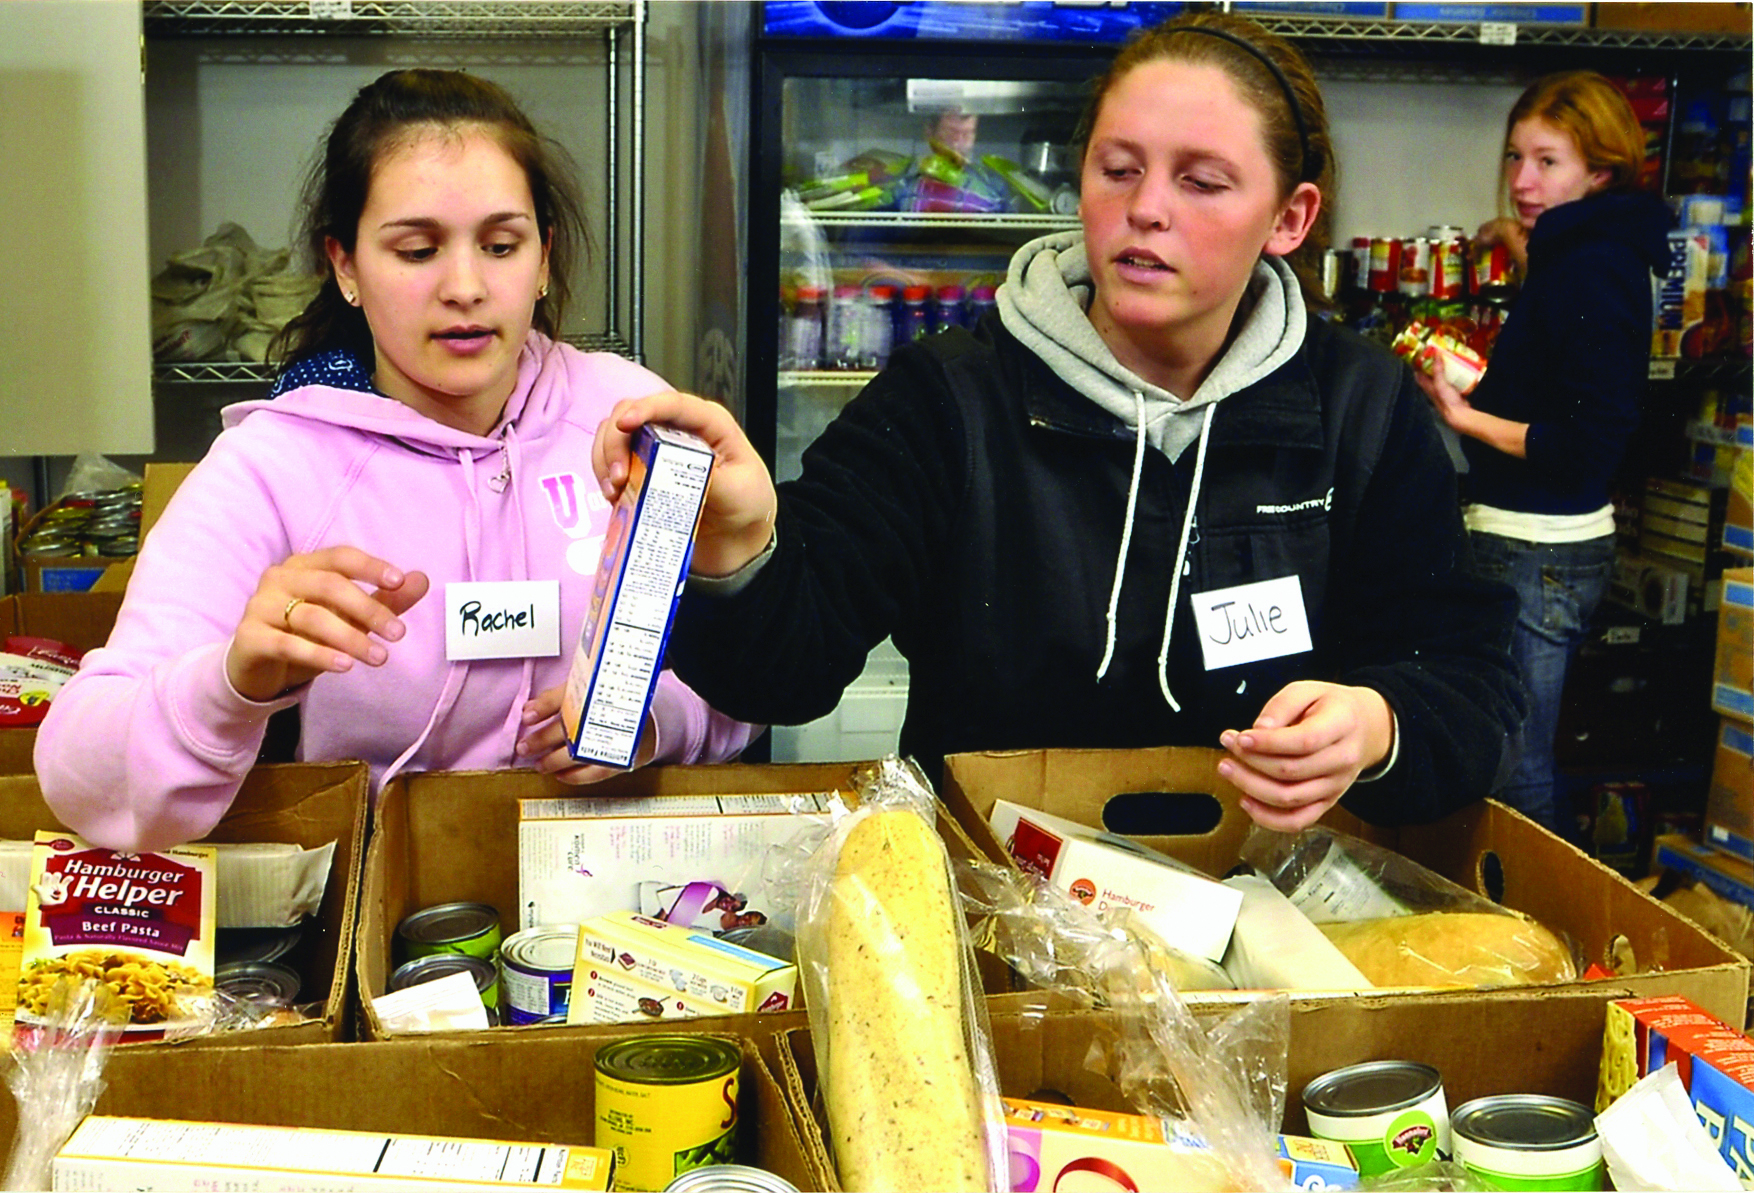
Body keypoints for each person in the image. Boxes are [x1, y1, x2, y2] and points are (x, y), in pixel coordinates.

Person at [594, 13, 1525, 833]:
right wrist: (743, 541)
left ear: (1289, 217)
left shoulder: (1363, 412)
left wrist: (1376, 725)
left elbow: (1471, 684)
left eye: (1202, 182)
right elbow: (781, 677)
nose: (1145, 209)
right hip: (1003, 923)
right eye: (1117, 169)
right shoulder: (951, 400)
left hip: (1269, 932)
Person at [36, 69, 757, 852]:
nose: (465, 287)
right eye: (417, 250)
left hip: (610, 908)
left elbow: (757, 683)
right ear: (344, 265)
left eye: (501, 245)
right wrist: (231, 682)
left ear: (544, 258)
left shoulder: (629, 421)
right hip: (381, 916)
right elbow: (80, 775)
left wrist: (654, 721)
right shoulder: (273, 466)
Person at [1415, 71, 1671, 839]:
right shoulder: (1585, 249)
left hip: (1540, 549)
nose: (1523, 181)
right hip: (1535, 542)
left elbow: (1586, 444)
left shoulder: (1596, 267)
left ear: (1600, 171)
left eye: (1547, 162)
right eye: (1515, 158)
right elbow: (1566, 349)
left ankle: (1533, 944)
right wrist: (1517, 250)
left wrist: (1466, 417)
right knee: (1501, 751)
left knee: (1513, 768)